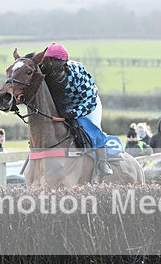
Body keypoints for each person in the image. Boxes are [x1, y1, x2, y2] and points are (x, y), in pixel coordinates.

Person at [40, 42, 120, 177]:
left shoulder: (77, 72)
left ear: (63, 65)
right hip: (62, 107)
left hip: (87, 105)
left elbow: (89, 100)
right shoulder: (44, 71)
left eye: (55, 63)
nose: (52, 69)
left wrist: (74, 113)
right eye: (49, 62)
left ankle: (102, 162)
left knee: (91, 128)